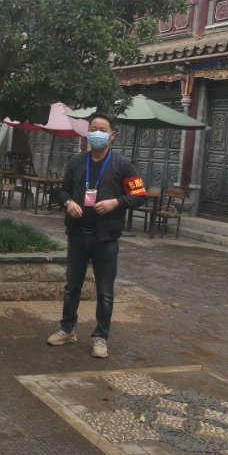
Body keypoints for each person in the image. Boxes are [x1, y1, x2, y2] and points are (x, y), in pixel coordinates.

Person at [47, 112, 146, 358]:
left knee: (105, 291)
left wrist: (115, 202)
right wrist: (68, 202)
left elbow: (139, 195)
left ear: (112, 135)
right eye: (93, 129)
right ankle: (67, 329)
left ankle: (101, 336)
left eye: (102, 129)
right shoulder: (76, 162)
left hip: (106, 238)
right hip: (78, 234)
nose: (96, 134)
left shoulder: (123, 164)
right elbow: (62, 191)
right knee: (72, 286)